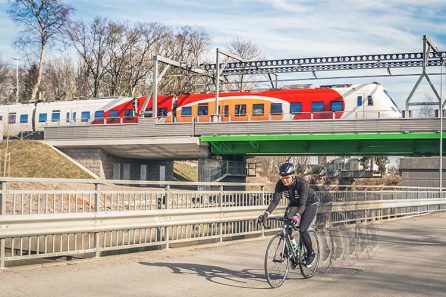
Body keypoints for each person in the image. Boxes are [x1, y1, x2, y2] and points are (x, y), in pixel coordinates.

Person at [258, 162, 319, 266]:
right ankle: (292, 246)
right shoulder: (280, 184)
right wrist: (266, 214)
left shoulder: (302, 183)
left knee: (303, 229)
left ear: (293, 175)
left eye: (287, 177)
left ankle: (311, 254)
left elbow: (303, 204)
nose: (284, 180)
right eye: (282, 178)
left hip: (309, 204)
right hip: (295, 203)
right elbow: (275, 201)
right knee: (286, 224)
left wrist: (298, 215)